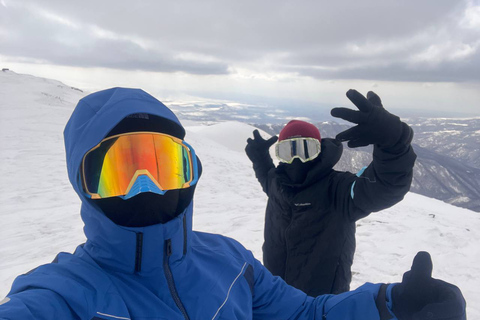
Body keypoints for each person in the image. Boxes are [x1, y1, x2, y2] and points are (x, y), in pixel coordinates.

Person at [0, 88, 465, 320]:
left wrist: (396, 146)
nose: (148, 186)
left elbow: (385, 186)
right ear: (82, 182)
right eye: (118, 169)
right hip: (278, 285)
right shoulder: (60, 298)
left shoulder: (234, 262)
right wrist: (264, 163)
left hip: (316, 291)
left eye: (165, 165)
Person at [245, 90, 417, 296]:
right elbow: (266, 179)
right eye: (289, 151)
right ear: (280, 155)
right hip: (274, 292)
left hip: (321, 302)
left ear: (319, 151)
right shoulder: (277, 183)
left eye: (306, 149)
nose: (297, 159)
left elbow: (384, 187)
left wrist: (394, 145)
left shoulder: (339, 189)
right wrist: (260, 159)